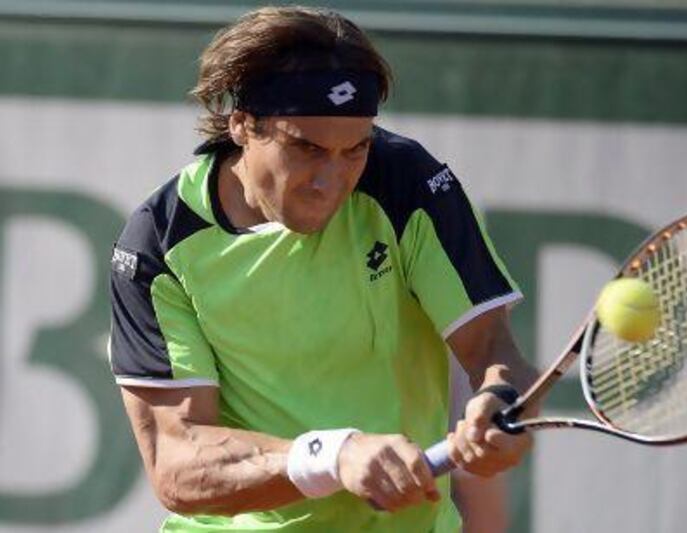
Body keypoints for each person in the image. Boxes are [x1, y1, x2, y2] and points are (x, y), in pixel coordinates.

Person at [109, 6, 537, 532]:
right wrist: (333, 456)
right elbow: (178, 464)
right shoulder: (160, 242)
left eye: (354, 150)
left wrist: (500, 401)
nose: (330, 180)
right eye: (306, 149)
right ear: (242, 123)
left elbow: (493, 349)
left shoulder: (406, 183)